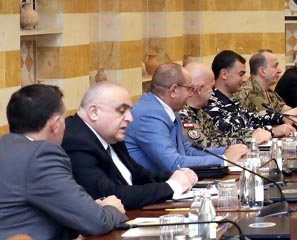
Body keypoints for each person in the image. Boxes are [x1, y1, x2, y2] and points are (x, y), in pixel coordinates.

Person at [0, 84, 127, 238]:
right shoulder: (41, 156)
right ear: (55, 124)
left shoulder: (6, 147)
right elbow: (97, 222)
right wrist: (112, 209)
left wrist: (91, 209)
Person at [62, 82, 198, 209]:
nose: (130, 118)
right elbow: (112, 196)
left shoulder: (111, 135)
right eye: (121, 111)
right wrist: (173, 186)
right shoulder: (76, 142)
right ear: (94, 112)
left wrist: (177, 176)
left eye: (129, 111)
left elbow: (138, 174)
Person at [125, 63, 247, 171]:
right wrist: (224, 159)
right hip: (154, 186)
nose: (191, 94)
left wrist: (227, 151)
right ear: (173, 90)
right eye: (189, 89)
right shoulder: (149, 115)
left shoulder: (170, 109)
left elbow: (187, 150)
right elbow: (174, 163)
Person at [179, 62, 267, 149]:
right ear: (200, 89)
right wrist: (249, 140)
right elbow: (202, 146)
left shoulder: (201, 113)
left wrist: (252, 134)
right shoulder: (182, 115)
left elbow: (220, 135)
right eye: (211, 88)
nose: (213, 92)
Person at [206, 50, 290, 138]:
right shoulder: (211, 104)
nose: (245, 79)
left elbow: (253, 119)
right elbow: (230, 133)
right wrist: (271, 131)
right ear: (224, 74)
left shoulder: (232, 101)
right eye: (241, 74)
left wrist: (281, 118)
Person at [237, 49, 297, 118]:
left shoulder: (268, 92)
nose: (280, 70)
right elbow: (266, 119)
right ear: (262, 71)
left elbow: (285, 111)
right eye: (275, 66)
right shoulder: (250, 92)